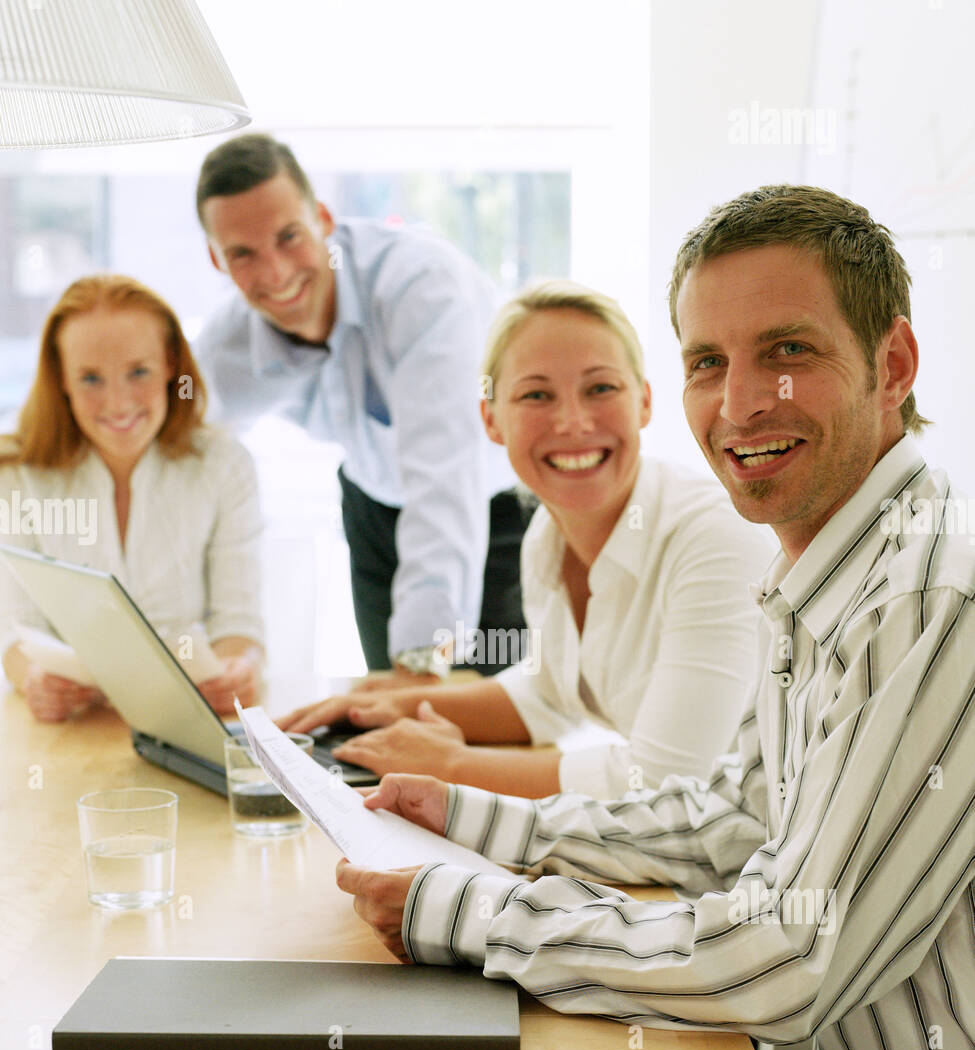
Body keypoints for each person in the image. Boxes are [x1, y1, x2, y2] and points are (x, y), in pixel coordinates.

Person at [336, 185, 975, 1050]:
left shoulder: (926, 601)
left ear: (894, 365)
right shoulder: (826, 574)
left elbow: (782, 959)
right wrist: (471, 817)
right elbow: (729, 821)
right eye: (708, 362)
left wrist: (472, 915)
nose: (741, 401)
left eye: (788, 351)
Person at [282, 281, 773, 799]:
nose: (573, 423)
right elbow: (549, 690)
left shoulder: (714, 537)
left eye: (601, 388)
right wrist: (389, 709)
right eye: (536, 394)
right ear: (491, 420)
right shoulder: (546, 535)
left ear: (645, 403)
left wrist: (452, 764)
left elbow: (665, 782)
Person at [193, 132, 529, 680]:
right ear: (217, 259)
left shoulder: (423, 291)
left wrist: (423, 655)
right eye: (243, 254)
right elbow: (169, 445)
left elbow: (442, 477)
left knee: (487, 726)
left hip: (488, 511)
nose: (276, 273)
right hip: (370, 507)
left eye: (289, 237)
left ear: (323, 218)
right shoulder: (227, 347)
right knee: (390, 713)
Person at [0, 274, 265, 721]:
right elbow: (14, 631)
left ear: (170, 366)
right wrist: (34, 680)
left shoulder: (224, 465)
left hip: (188, 721)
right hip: (74, 729)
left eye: (138, 371)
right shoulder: (17, 475)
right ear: (61, 380)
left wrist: (239, 669)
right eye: (90, 378)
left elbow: (238, 623)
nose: (118, 403)